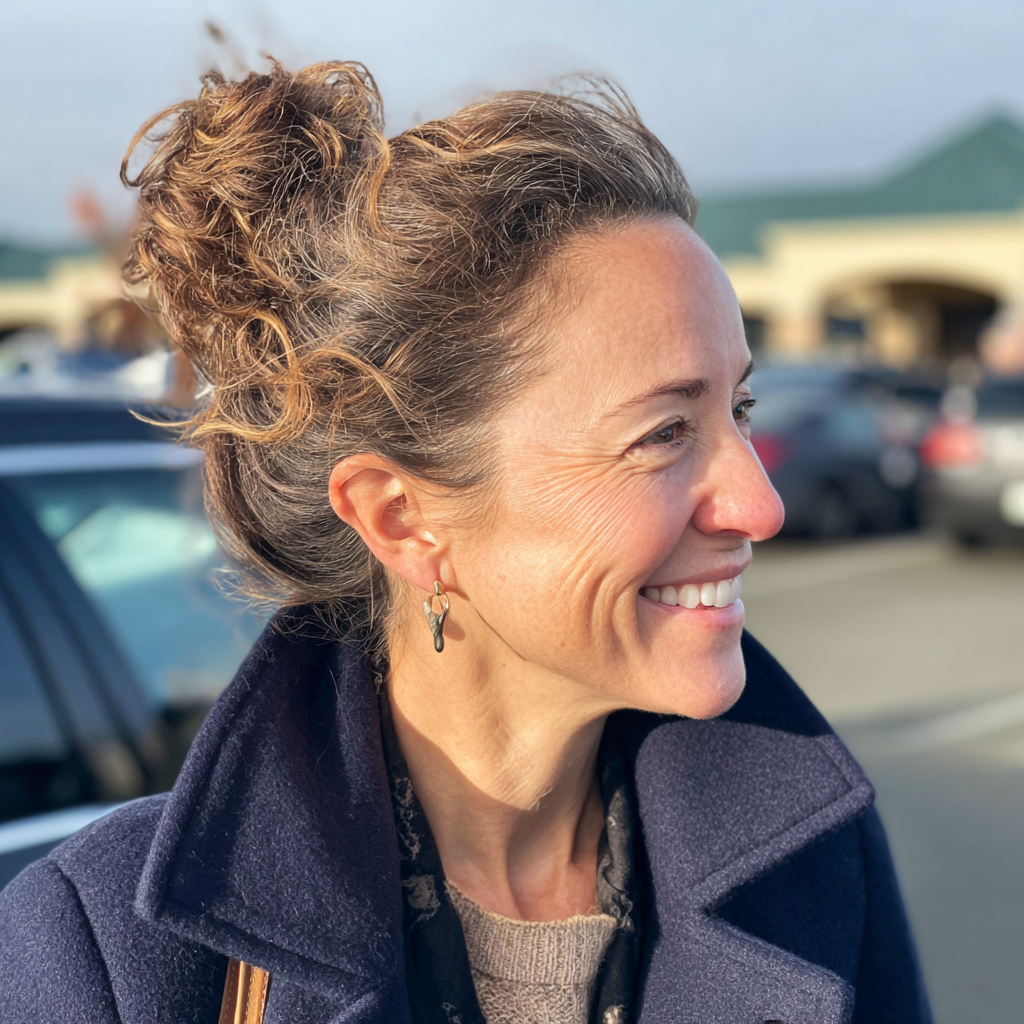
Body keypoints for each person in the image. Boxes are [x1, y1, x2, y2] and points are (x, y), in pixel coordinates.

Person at [0, 60, 931, 1024]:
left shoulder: (809, 861)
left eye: (739, 408)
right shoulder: (103, 956)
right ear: (403, 519)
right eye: (663, 433)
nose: (760, 504)